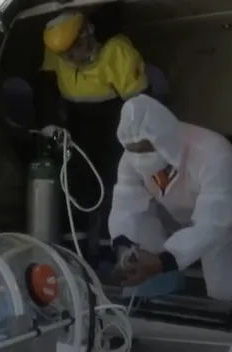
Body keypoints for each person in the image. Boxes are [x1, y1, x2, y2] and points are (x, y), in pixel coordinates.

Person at [108, 95, 232, 302]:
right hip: (177, 212)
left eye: (145, 148)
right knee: (138, 226)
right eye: (132, 150)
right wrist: (124, 248)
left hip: (230, 215)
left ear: (163, 137)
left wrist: (165, 261)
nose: (139, 157)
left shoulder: (214, 153)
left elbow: (213, 222)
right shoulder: (131, 155)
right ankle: (164, 280)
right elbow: (125, 203)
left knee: (225, 290)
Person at [37, 10, 168, 261]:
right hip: (76, 119)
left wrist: (138, 142)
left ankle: (112, 248)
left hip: (115, 116)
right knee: (75, 181)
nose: (70, 58)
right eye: (63, 55)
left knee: (114, 180)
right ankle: (74, 250)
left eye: (73, 49)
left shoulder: (117, 52)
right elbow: (46, 88)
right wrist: (50, 123)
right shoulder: (57, 52)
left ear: (87, 31)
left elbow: (140, 103)